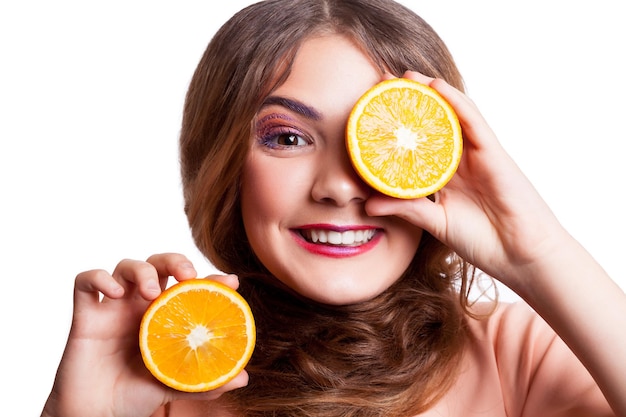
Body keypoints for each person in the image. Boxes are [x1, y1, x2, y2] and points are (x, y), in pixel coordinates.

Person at [41, 0, 626, 416]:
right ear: (220, 160)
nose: (340, 188)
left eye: (377, 143)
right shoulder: (164, 375)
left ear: (435, 158)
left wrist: (538, 250)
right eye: (287, 137)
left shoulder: (515, 353)